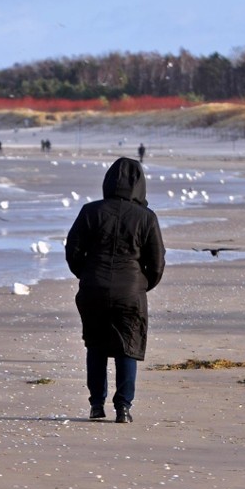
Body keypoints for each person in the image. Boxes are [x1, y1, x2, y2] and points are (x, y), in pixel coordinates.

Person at [65, 157, 165, 423]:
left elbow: (72, 250)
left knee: (95, 344)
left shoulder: (90, 211)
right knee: (127, 346)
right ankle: (123, 407)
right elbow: (156, 262)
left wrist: (86, 274)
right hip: (130, 289)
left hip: (94, 286)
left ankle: (96, 404)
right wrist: (142, 284)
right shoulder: (146, 217)